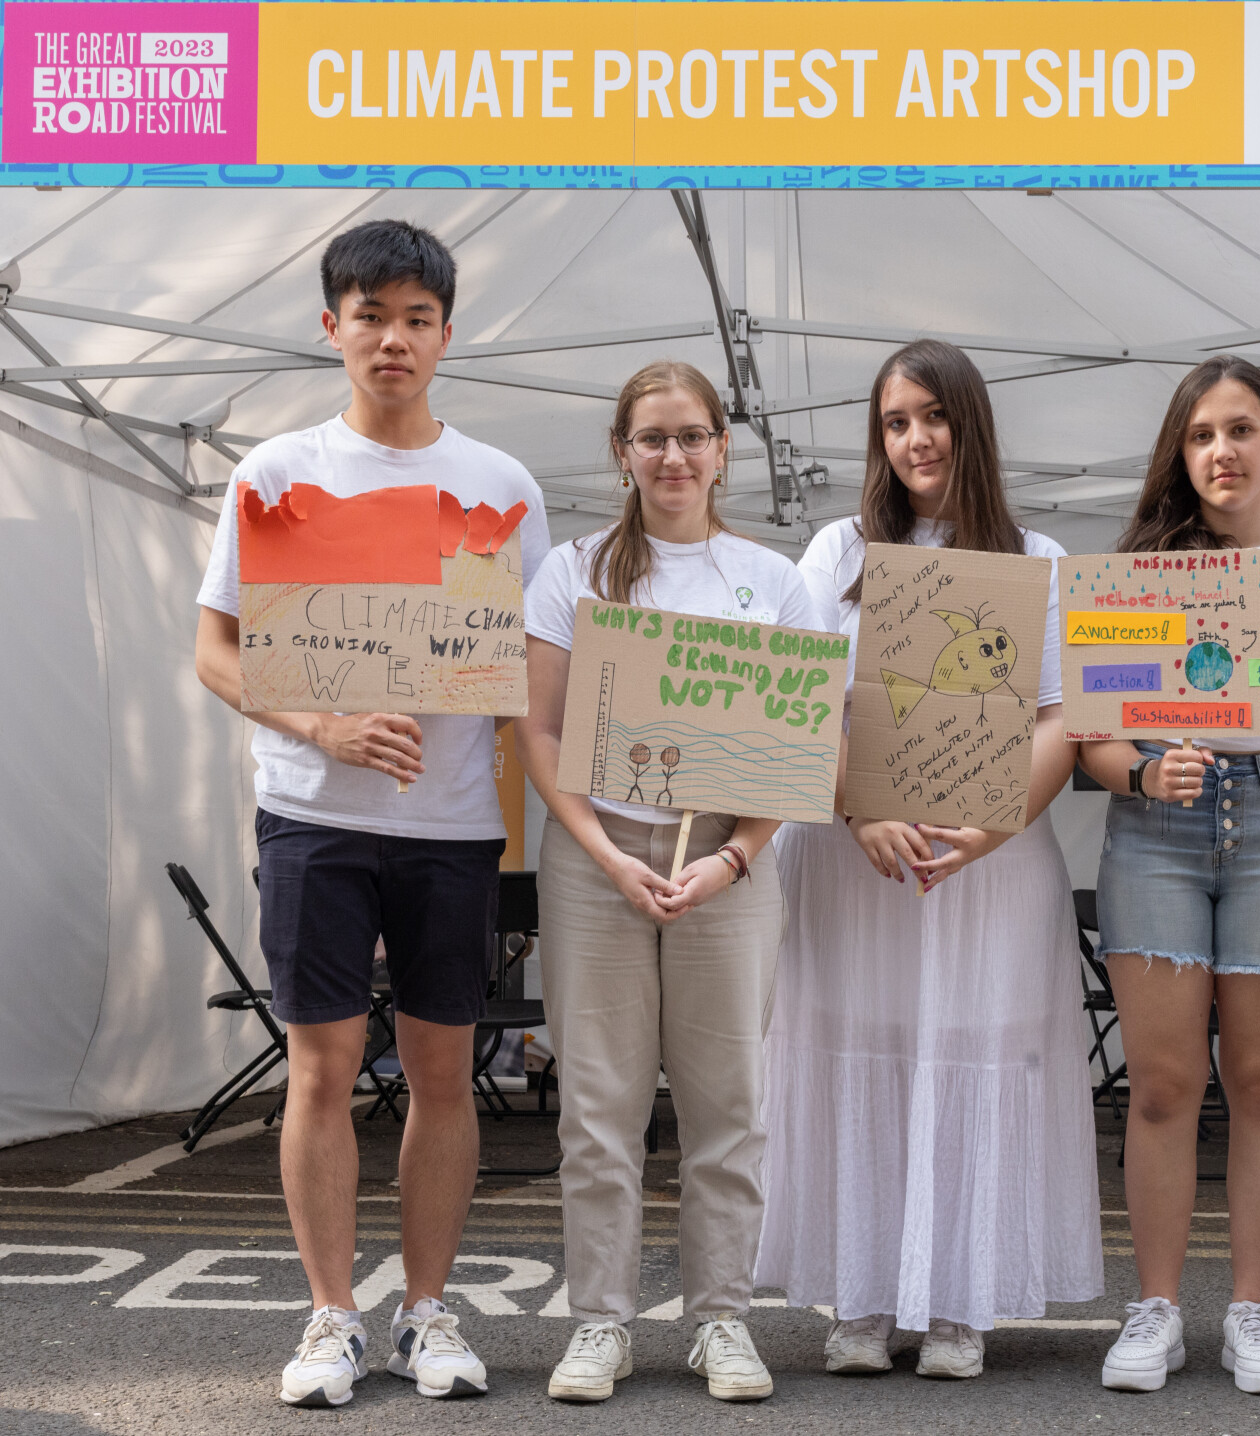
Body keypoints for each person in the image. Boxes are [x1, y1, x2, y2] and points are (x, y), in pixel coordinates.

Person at [193, 219, 549, 1406]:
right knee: (322, 1063)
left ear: (447, 334)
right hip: (309, 813)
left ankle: (429, 1310)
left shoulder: (500, 486)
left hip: (450, 822)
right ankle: (331, 1315)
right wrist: (324, 724)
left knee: (444, 1068)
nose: (390, 337)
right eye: (368, 313)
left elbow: (522, 671)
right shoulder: (274, 473)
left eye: (414, 317)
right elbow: (216, 651)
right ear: (330, 325)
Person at [756, 338, 1103, 1378]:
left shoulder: (1036, 557)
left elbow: (1063, 714)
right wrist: (859, 809)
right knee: (859, 1049)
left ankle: (958, 1299)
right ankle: (860, 1293)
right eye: (895, 420)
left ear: (970, 424)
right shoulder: (834, 551)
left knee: (969, 1052)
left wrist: (991, 826)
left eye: (932, 416)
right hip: (851, 857)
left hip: (987, 865)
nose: (914, 437)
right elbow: (801, 694)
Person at [517, 361, 817, 1404]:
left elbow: (794, 752)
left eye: (691, 435)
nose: (673, 456)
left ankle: (719, 1317)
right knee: (596, 1105)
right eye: (652, 437)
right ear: (621, 450)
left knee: (727, 1104)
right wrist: (607, 854)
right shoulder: (572, 570)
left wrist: (731, 855)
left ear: (723, 446)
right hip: (594, 857)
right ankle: (599, 1320)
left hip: (728, 864)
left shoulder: (772, 579)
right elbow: (541, 731)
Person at [1079, 356, 1260, 1396]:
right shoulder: (1136, 571)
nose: (1220, 451)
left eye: (1240, 428)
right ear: (1180, 450)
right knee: (1161, 1084)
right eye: (1201, 433)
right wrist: (1138, 764)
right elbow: (1089, 740)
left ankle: (1251, 1307)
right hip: (1153, 828)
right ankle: (1154, 1306)